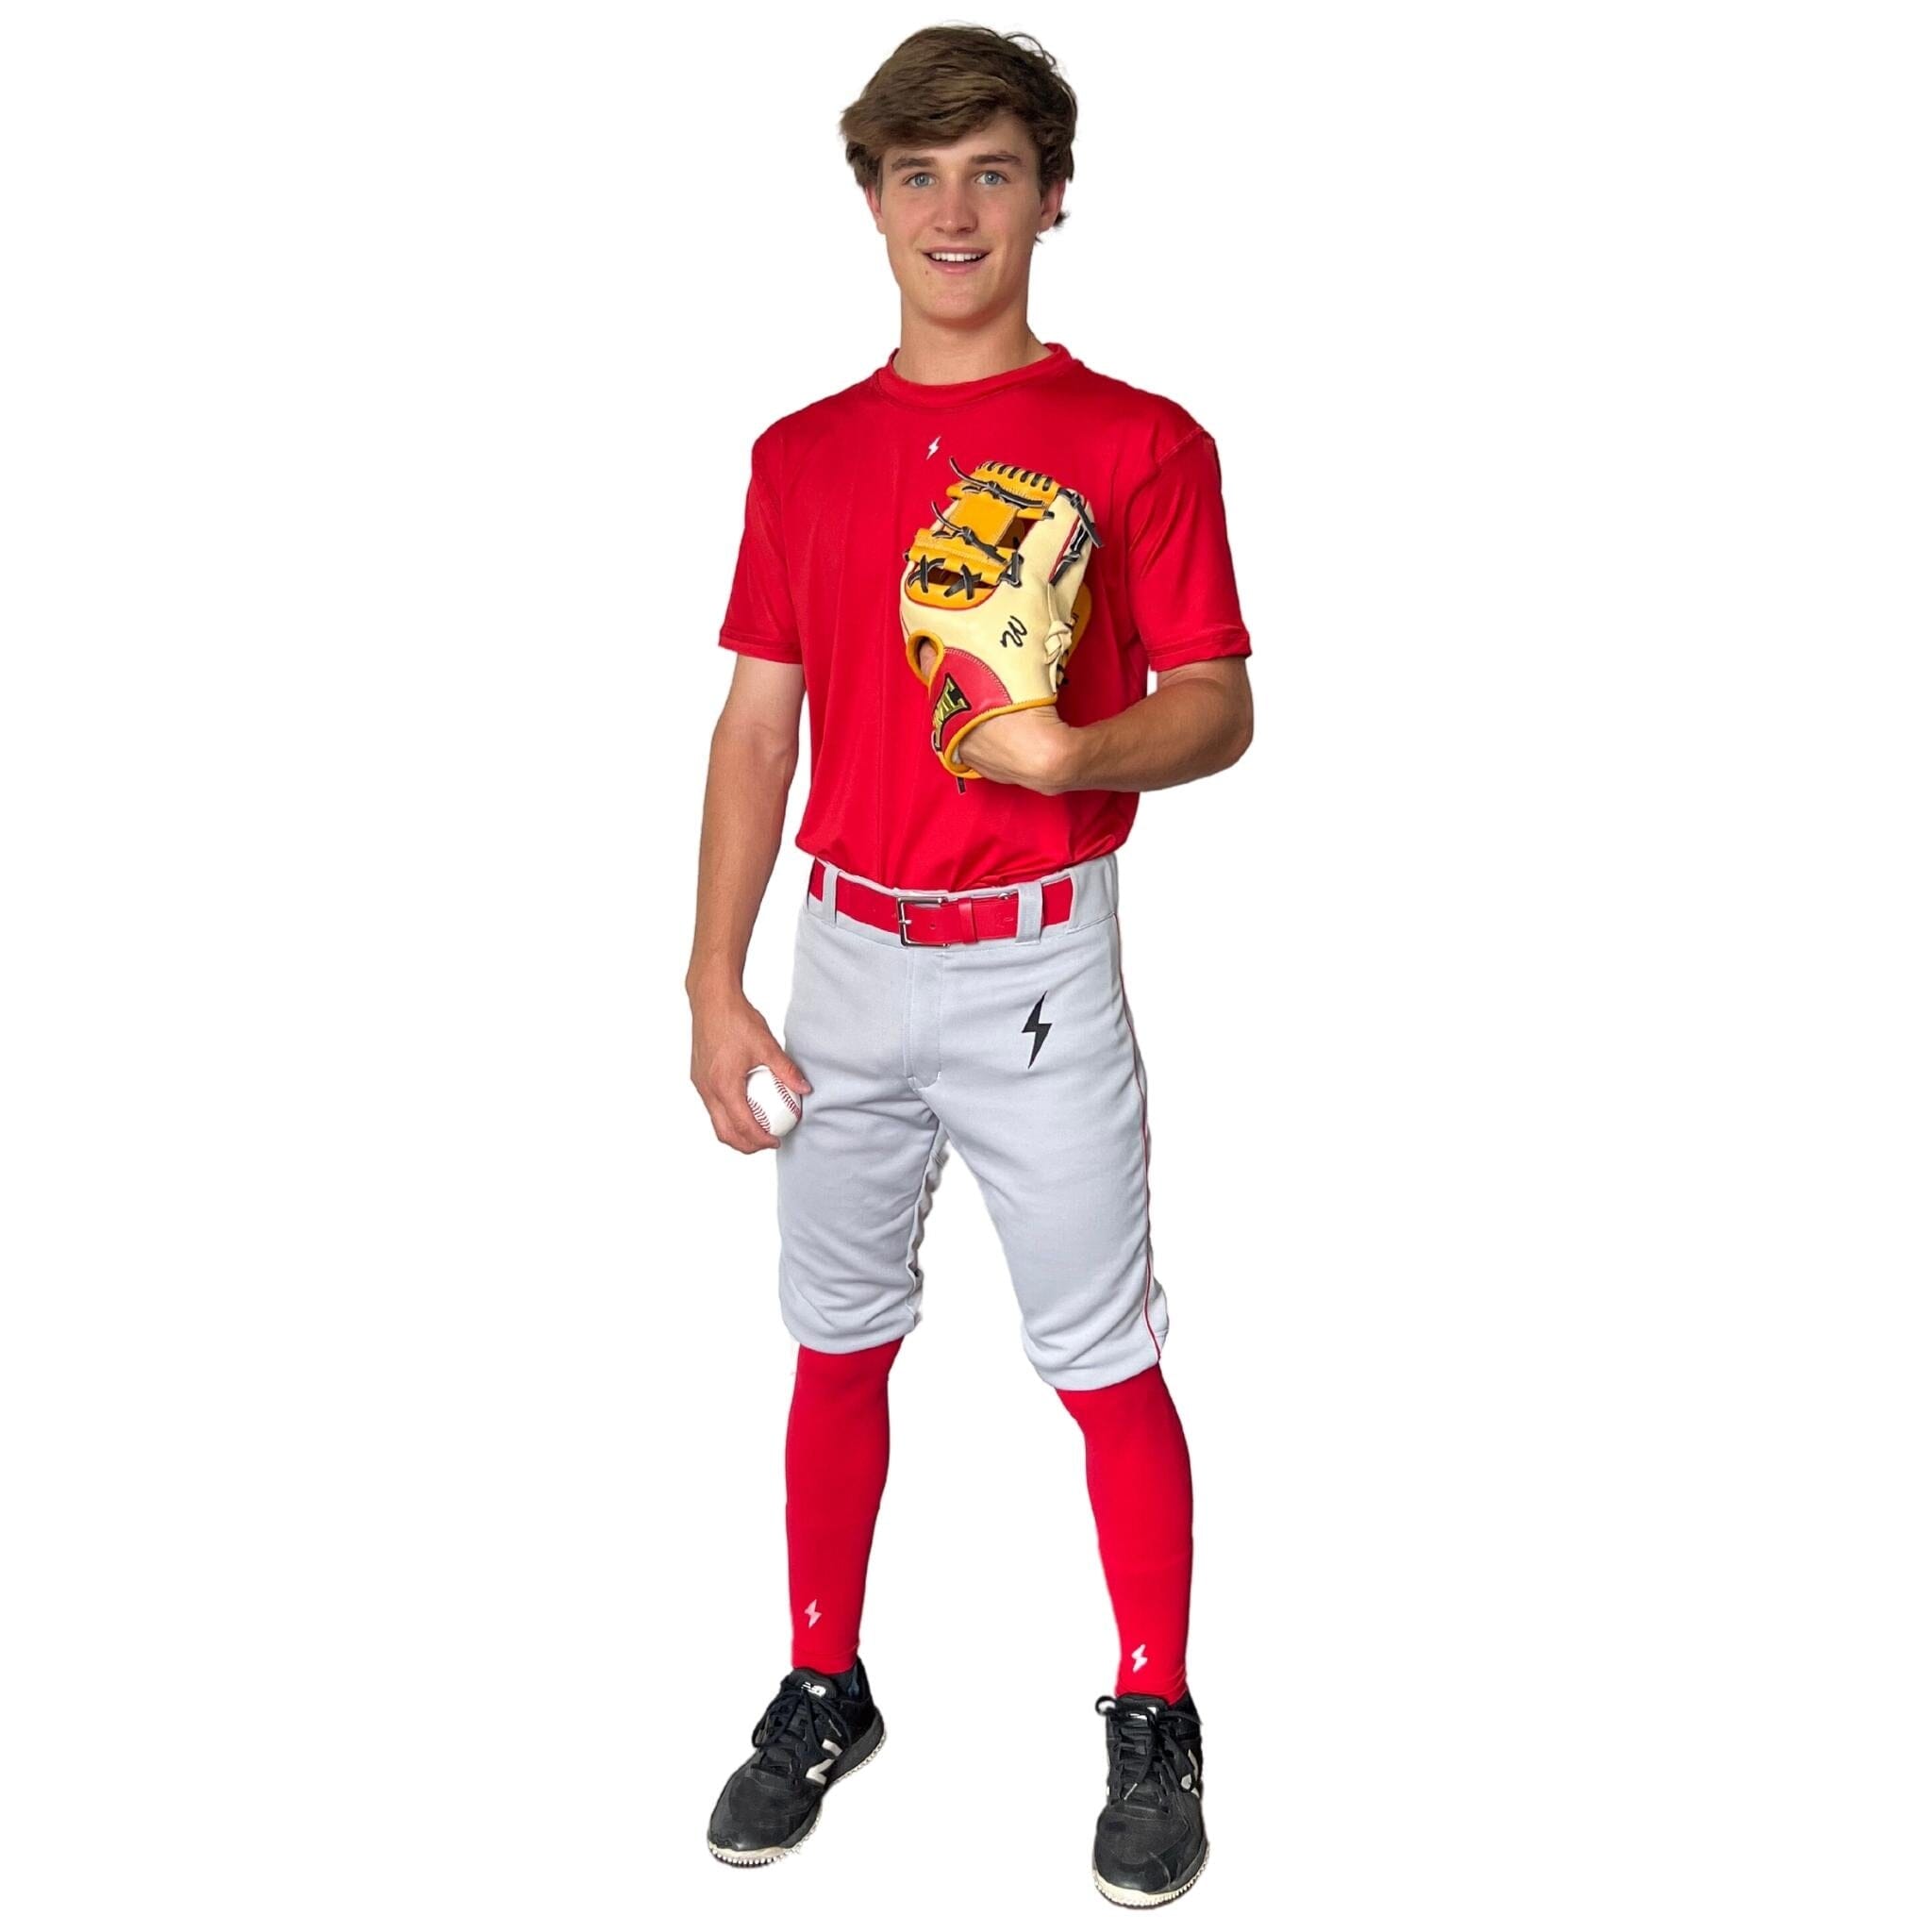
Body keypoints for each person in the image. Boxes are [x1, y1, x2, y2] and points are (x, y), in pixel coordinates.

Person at [685, 25, 1252, 1909]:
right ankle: (824, 1684)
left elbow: (1217, 701)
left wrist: (1076, 752)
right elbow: (757, 728)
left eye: (992, 170)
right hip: (844, 953)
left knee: (1102, 1354)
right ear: (868, 199)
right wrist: (712, 978)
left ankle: (1154, 1706)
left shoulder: (1140, 441)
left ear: (1053, 196)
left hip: (1036, 967)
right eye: (916, 174)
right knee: (834, 1333)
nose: (953, 210)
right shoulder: (799, 455)